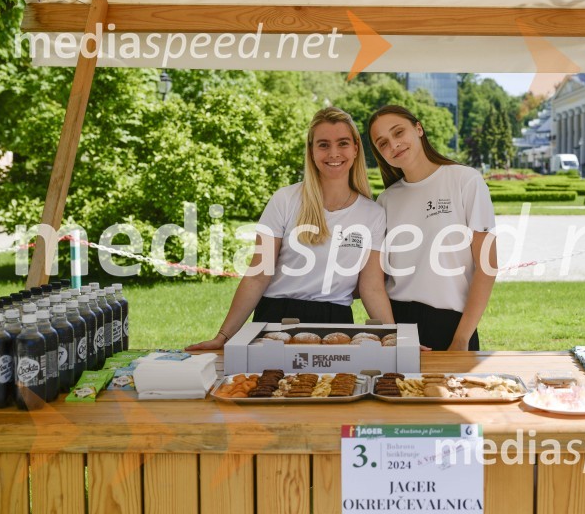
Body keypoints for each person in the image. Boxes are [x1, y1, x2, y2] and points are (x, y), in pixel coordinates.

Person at [187, 107, 393, 351]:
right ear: (311, 151)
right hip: (276, 319)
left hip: (335, 324)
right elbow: (257, 275)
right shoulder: (285, 200)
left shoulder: (373, 214)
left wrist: (395, 337)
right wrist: (223, 336)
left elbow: (372, 288)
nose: (334, 153)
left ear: (356, 148)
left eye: (343, 143)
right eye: (323, 145)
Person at [368, 105, 497, 351]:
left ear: (418, 129)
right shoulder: (386, 200)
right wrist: (393, 335)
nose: (393, 145)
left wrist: (461, 339)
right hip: (398, 322)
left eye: (398, 133)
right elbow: (376, 281)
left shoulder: (465, 180)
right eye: (382, 143)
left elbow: (487, 267)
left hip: (453, 326)